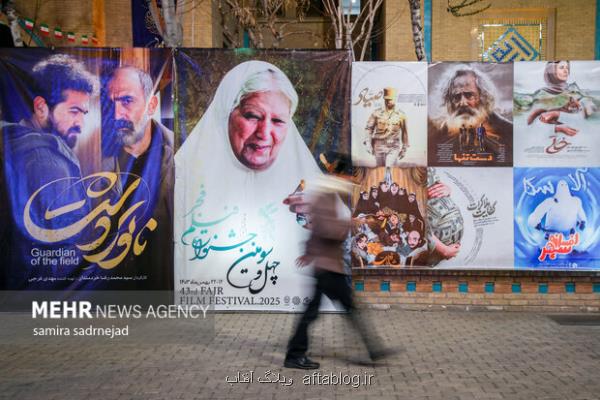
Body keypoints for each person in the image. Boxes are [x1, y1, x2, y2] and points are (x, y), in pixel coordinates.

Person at [174, 61, 329, 307]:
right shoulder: (182, 177)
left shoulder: (304, 185)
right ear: (226, 114)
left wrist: (316, 217)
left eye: (278, 121)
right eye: (253, 116)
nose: (264, 133)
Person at [283, 156, 394, 369]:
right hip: (327, 267)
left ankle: (295, 354)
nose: (351, 179)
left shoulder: (332, 194)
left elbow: (316, 231)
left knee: (331, 311)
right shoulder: (325, 196)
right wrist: (352, 224)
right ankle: (295, 355)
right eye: (349, 174)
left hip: (327, 265)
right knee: (338, 311)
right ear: (340, 174)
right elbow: (325, 230)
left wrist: (308, 253)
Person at [1, 54, 97, 289]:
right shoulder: (45, 159)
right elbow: (66, 246)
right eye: (74, 111)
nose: (81, 124)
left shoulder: (14, 143)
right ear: (42, 108)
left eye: (83, 113)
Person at [102, 65, 174, 290]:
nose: (116, 114)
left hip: (165, 296)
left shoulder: (183, 157)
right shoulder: (92, 161)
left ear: (151, 105)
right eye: (110, 103)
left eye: (127, 101)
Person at [429, 67, 512, 160]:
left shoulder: (508, 132)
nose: (463, 102)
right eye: (456, 97)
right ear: (448, 102)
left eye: (469, 95)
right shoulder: (437, 137)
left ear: (484, 97)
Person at [364, 87, 409, 166]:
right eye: (387, 99)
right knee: (380, 168)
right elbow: (369, 128)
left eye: (391, 99)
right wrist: (368, 143)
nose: (388, 101)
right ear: (384, 99)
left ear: (395, 99)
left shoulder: (401, 115)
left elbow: (404, 132)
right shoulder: (376, 113)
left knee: (389, 166)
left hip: (393, 146)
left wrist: (404, 149)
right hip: (378, 145)